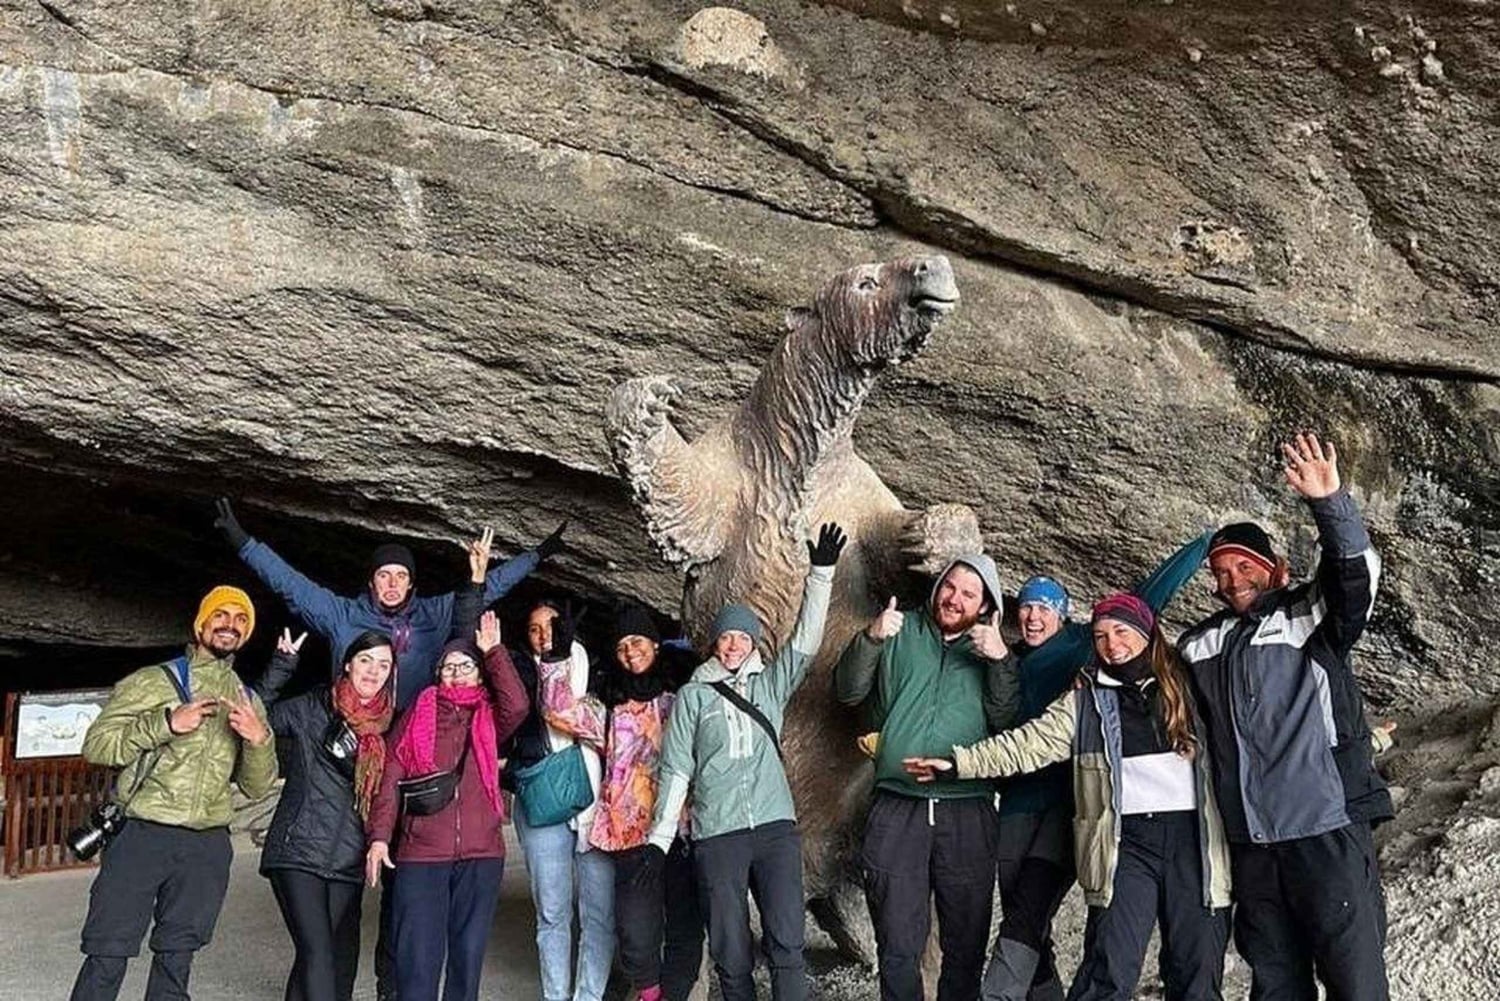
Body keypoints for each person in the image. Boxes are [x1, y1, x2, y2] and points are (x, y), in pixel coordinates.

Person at [906, 594, 1233, 1001]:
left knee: (1198, 969)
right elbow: (1029, 743)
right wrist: (959, 763)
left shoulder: (1190, 683)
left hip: (1196, 843)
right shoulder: (1087, 700)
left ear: (1147, 632)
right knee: (1110, 964)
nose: (1112, 644)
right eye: (1099, 635)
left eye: (1121, 631)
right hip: (1126, 845)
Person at [1177, 431, 1391, 1001]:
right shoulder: (1201, 644)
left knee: (1355, 980)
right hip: (1254, 845)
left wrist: (1330, 503)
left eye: (1244, 565)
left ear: (1276, 567)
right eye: (1220, 572)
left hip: (1325, 829)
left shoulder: (1310, 616)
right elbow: (1146, 673)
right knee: (1274, 984)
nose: (1232, 580)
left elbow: (1356, 579)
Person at [978, 533, 1210, 1001]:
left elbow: (1147, 598)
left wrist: (1203, 545)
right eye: (1026, 606)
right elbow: (1005, 726)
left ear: (1063, 615)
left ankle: (997, 994)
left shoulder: (1086, 643)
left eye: (1045, 606)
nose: (1033, 614)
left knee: (1028, 910)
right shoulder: (1012, 661)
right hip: (1017, 805)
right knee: (1026, 921)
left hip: (1069, 808)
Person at [648, 522, 846, 1001]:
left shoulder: (768, 687)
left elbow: (806, 641)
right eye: (726, 637)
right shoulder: (694, 695)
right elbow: (676, 768)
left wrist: (821, 575)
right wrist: (658, 838)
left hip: (776, 829)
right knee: (731, 951)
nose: (734, 644)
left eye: (742, 636)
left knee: (786, 945)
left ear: (754, 642)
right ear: (714, 643)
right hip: (718, 835)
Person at [69, 586, 278, 1001]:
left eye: (240, 619)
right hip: (143, 833)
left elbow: (257, 786)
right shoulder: (153, 681)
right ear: (201, 624)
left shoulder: (247, 698)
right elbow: (97, 746)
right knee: (108, 951)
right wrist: (165, 722)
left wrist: (259, 740)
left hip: (207, 843)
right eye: (221, 615)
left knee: (177, 955)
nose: (230, 625)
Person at [834, 554, 1009, 1001]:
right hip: (898, 804)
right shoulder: (901, 631)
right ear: (937, 588)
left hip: (968, 807)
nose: (955, 598)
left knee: (966, 943)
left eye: (969, 593)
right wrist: (871, 638)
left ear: (986, 605)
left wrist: (1002, 661)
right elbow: (847, 691)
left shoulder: (990, 648)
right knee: (896, 943)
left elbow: (1007, 718)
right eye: (950, 586)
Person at [214, 500, 562, 709]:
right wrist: (245, 544)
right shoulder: (344, 616)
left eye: (400, 575)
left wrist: (537, 555)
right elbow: (292, 585)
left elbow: (491, 585)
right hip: (355, 727)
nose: (393, 583)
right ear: (371, 582)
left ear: (411, 582)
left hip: (413, 730)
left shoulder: (434, 612)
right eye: (384, 575)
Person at [539, 603, 703, 1001]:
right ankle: (650, 993)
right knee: (635, 932)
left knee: (685, 926)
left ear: (655, 645)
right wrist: (556, 658)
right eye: (622, 646)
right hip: (630, 837)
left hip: (681, 832)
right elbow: (558, 711)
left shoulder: (682, 701)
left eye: (638, 641)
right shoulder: (607, 708)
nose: (631, 651)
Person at [364, 613, 528, 1001]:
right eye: (448, 667)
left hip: (482, 854)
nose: (455, 674)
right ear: (437, 674)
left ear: (480, 674)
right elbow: (390, 778)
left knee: (467, 960)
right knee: (418, 962)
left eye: (465, 666)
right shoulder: (417, 716)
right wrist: (380, 838)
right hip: (421, 854)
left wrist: (494, 653)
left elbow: (519, 705)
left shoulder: (490, 717)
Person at [257, 627, 397, 1001]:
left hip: (347, 858)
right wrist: (282, 666)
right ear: (348, 664)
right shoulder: (311, 708)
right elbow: (257, 717)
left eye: (384, 664)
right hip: (298, 850)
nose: (373, 670)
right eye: (366, 660)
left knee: (322, 958)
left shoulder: (388, 726)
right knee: (317, 952)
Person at [506, 600, 613, 1001]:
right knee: (552, 912)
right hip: (541, 803)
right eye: (533, 628)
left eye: (551, 625)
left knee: (598, 913)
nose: (543, 634)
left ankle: (588, 996)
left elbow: (607, 728)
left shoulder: (596, 670)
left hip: (595, 802)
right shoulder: (517, 675)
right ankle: (556, 996)